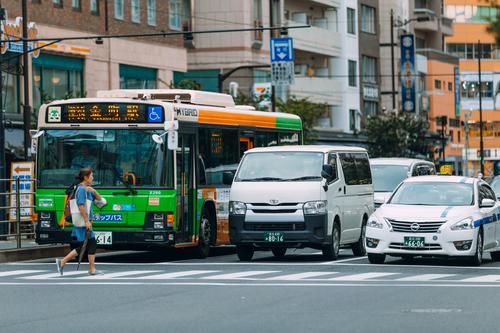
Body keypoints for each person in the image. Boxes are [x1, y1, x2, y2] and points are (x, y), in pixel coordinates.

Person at [56, 168, 105, 276]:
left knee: (85, 244)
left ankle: (62, 261)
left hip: (83, 222)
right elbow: (81, 205)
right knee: (91, 243)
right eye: (91, 176)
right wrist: (87, 221)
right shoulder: (81, 190)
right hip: (83, 222)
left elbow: (101, 201)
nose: (93, 178)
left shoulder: (85, 188)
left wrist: (93, 190)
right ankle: (91, 269)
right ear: (86, 177)